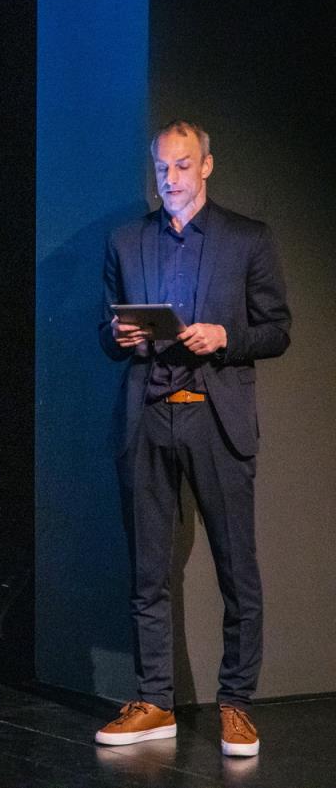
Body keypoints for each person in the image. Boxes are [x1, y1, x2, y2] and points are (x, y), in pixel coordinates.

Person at [95, 120, 290, 757]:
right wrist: (118, 335)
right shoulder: (127, 240)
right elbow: (105, 330)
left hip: (215, 415)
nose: (171, 179)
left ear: (206, 165)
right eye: (162, 169)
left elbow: (277, 330)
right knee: (148, 570)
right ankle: (155, 701)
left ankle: (236, 704)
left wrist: (226, 337)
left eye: (183, 166)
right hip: (148, 416)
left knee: (237, 569)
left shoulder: (247, 238)